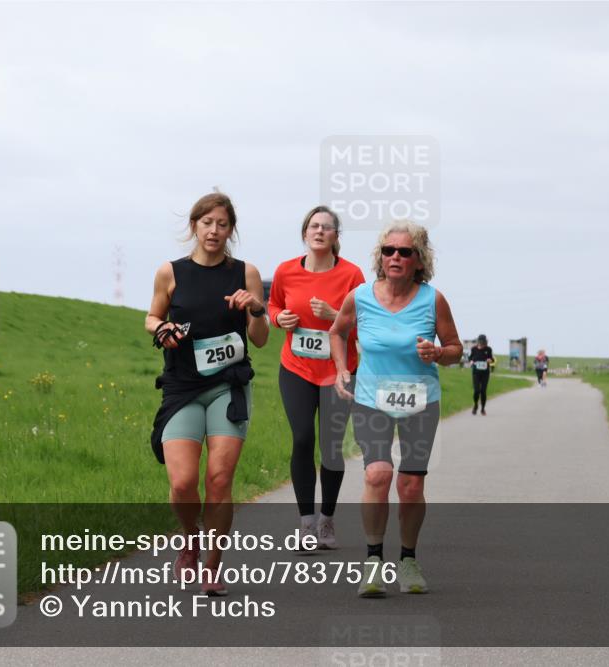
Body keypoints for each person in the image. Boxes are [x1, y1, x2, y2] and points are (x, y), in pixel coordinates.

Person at [330, 220, 462, 597]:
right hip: (372, 399)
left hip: (421, 401)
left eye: (405, 252)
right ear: (380, 256)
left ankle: (407, 558)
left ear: (419, 260)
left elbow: (455, 348)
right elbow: (337, 332)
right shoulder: (360, 296)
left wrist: (438, 352)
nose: (395, 257)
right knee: (377, 475)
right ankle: (373, 561)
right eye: (389, 250)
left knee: (411, 484)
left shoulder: (432, 299)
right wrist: (342, 369)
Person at [146, 192, 269, 596]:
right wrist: (160, 330)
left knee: (219, 479)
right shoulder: (171, 271)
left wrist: (255, 308)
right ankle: (189, 539)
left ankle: (213, 566)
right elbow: (152, 315)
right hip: (182, 387)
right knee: (182, 483)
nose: (213, 230)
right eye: (206, 223)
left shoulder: (245, 273)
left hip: (227, 386)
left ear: (231, 229)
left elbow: (261, 339)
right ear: (194, 226)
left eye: (222, 224)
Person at [268, 206, 365, 549]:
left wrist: (336, 315)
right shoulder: (285, 271)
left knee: (331, 446)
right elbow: (273, 306)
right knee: (303, 437)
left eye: (327, 227)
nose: (319, 231)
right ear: (305, 233)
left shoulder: (352, 275)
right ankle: (306, 523)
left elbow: (364, 325)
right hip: (296, 367)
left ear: (337, 236)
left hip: (338, 371)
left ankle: (327, 520)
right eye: (313, 226)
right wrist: (280, 319)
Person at [468, 334, 495, 415]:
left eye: (483, 342)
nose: (481, 344)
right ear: (478, 341)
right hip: (476, 372)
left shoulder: (488, 349)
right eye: (480, 342)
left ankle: (483, 408)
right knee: (476, 391)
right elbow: (470, 358)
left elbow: (492, 359)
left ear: (485, 342)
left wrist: (490, 360)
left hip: (485, 373)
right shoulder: (474, 349)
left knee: (483, 391)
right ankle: (475, 405)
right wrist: (471, 361)